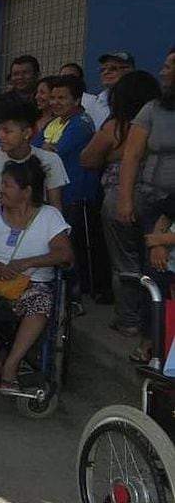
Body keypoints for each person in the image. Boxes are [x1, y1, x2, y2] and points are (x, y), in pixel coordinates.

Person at [0, 157, 73, 392]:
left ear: (26, 191)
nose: (1, 190)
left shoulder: (49, 216)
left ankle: (11, 365)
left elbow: (64, 253)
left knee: (40, 303)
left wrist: (29, 262)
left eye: (7, 185)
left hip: (31, 283)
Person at [81, 70, 161, 341]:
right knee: (154, 260)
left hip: (119, 197)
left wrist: (115, 154)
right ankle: (154, 322)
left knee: (125, 261)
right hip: (157, 199)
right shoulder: (160, 124)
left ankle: (129, 320)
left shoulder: (116, 126)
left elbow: (88, 158)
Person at [116, 48, 175, 363]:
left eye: (170, 67)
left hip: (172, 208)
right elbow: (132, 155)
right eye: (164, 65)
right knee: (155, 271)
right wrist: (125, 198)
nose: (163, 72)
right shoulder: (153, 109)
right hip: (153, 201)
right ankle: (152, 338)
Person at [35, 76, 103, 301]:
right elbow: (33, 148)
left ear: (76, 100)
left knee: (71, 245)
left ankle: (75, 295)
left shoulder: (81, 123)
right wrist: (45, 148)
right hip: (54, 193)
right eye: (53, 97)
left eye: (62, 98)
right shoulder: (54, 123)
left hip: (76, 194)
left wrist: (46, 148)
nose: (55, 102)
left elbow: (54, 152)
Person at [0, 98, 69, 218]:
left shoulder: (50, 161)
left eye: (7, 131)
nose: (0, 136)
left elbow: (55, 205)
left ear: (27, 133)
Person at [0, 55, 41, 136]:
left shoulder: (46, 100)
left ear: (37, 75)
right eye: (15, 74)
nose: (20, 77)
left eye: (25, 73)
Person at [87, 52, 137, 130]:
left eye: (113, 68)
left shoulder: (140, 100)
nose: (106, 72)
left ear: (129, 71)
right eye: (103, 69)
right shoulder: (93, 103)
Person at [60, 62, 100, 126]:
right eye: (63, 77)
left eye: (71, 76)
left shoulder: (94, 101)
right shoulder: (55, 102)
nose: (67, 80)